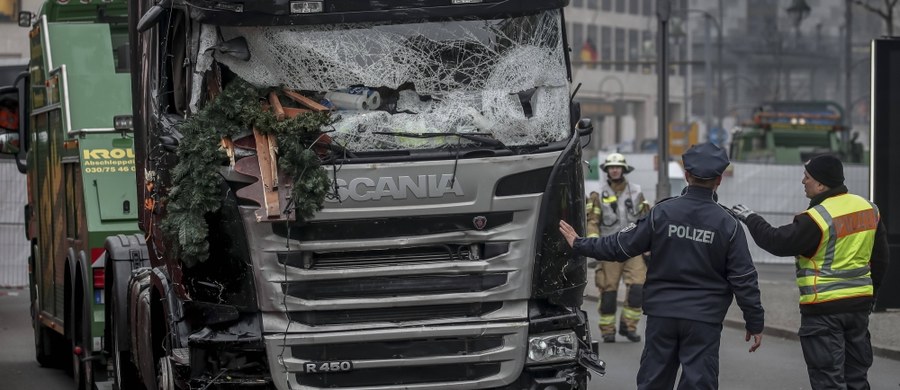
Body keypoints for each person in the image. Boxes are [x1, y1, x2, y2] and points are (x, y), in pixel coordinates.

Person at [560, 142, 764, 390]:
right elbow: (744, 278)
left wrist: (579, 243)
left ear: (687, 175)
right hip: (703, 319)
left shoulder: (662, 214)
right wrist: (755, 323)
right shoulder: (729, 225)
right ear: (719, 179)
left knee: (654, 381)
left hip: (662, 315)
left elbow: (620, 246)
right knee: (699, 382)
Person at [731, 154, 889, 390]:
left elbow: (777, 242)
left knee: (828, 380)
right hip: (858, 309)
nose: (803, 181)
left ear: (821, 184)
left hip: (824, 311)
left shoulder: (817, 218)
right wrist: (871, 296)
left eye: (807, 177)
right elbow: (881, 259)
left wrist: (751, 218)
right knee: (856, 379)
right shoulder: (869, 209)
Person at [590, 153, 650, 343]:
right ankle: (608, 330)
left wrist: (649, 246)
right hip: (610, 249)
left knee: (638, 288)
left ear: (623, 169)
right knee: (608, 291)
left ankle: (628, 326)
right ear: (607, 170)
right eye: (611, 167)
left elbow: (646, 220)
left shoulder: (636, 191)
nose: (615, 170)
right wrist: (595, 247)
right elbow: (593, 222)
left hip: (634, 248)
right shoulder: (598, 194)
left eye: (618, 167)